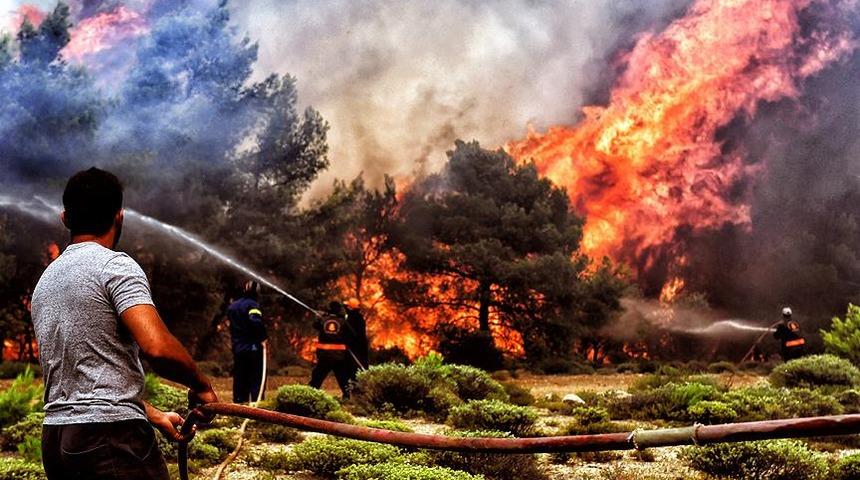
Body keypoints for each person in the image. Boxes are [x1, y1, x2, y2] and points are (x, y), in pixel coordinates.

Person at [31, 167, 219, 480]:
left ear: (65, 218)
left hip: (56, 440)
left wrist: (153, 414)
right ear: (120, 217)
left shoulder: (46, 281)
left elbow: (83, 382)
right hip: (111, 440)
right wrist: (201, 385)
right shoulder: (115, 265)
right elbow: (157, 348)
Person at [227, 280, 268, 403]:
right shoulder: (253, 305)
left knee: (240, 377)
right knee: (256, 378)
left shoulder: (233, 306)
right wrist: (263, 338)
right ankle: (257, 405)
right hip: (253, 347)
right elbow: (254, 321)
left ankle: (239, 404)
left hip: (238, 348)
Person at [309, 301, 358, 398]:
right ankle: (347, 396)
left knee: (317, 377)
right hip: (339, 356)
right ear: (339, 309)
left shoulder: (323, 320)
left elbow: (315, 325)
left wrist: (318, 317)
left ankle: (310, 395)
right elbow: (353, 335)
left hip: (324, 356)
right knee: (342, 377)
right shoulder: (343, 321)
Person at [344, 297, 369, 371]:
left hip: (355, 347)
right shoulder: (359, 317)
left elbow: (350, 333)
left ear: (350, 308)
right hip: (360, 346)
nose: (346, 309)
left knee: (355, 368)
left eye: (347, 307)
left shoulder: (352, 318)